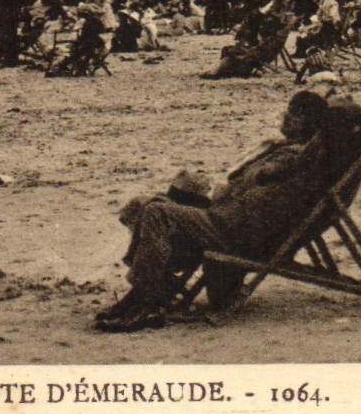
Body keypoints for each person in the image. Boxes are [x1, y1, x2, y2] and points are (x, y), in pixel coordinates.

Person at [97, 90, 340, 332]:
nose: (284, 118)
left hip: (233, 230)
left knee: (157, 212)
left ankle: (148, 302)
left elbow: (247, 180)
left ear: (302, 119)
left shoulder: (291, 157)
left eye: (290, 113)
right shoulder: (297, 153)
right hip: (234, 220)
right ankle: (144, 292)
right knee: (148, 204)